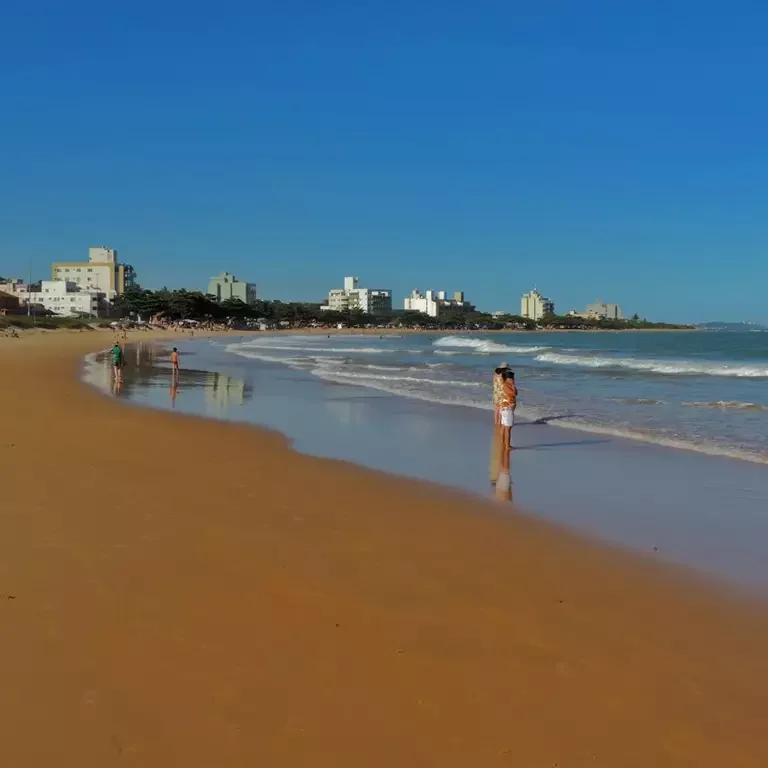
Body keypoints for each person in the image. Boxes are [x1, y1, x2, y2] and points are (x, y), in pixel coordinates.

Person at [489, 362, 509, 484]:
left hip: (495, 392)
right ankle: (499, 424)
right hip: (500, 393)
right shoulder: (502, 376)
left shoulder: (494, 375)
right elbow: (503, 386)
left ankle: (496, 423)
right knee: (500, 410)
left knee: (496, 409)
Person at [499, 370, 518, 454]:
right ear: (510, 378)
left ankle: (503, 443)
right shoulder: (506, 385)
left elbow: (516, 393)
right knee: (508, 428)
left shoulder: (506, 385)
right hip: (507, 410)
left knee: (504, 426)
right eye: (513, 378)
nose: (514, 379)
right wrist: (513, 385)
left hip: (505, 409)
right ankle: (507, 445)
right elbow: (513, 393)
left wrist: (513, 386)